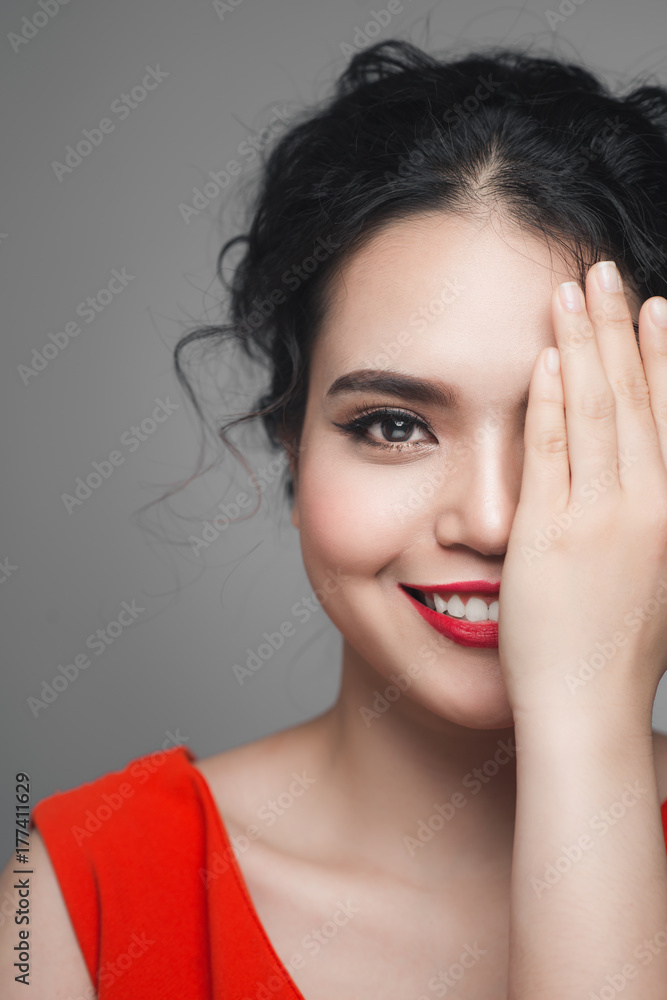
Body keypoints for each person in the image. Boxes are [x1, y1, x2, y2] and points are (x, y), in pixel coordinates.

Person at [4, 36, 667, 999]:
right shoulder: (78, 896)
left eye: (565, 429)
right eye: (394, 425)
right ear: (290, 439)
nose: (487, 519)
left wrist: (585, 722)